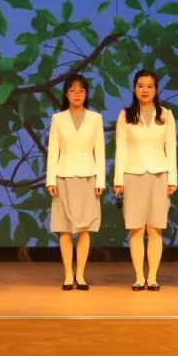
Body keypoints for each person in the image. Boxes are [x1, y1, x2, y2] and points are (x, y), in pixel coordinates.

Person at [48, 74, 105, 291]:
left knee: (85, 228)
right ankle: (68, 275)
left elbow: (100, 151)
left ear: (86, 94)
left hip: (88, 177)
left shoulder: (95, 118)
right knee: (64, 228)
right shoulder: (58, 118)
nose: (77, 94)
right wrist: (50, 180)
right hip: (63, 176)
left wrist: (101, 180)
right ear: (66, 94)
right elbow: (53, 150)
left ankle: (80, 274)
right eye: (72, 90)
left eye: (81, 91)